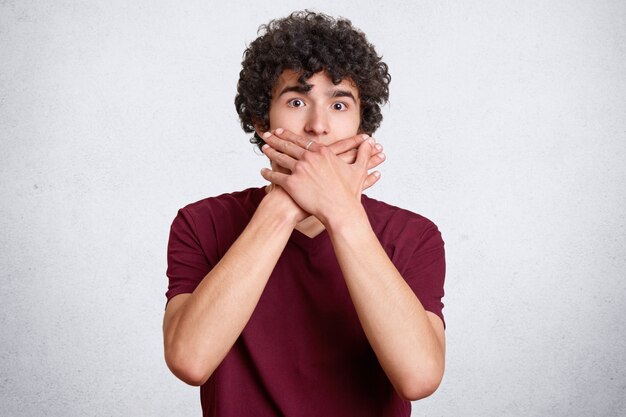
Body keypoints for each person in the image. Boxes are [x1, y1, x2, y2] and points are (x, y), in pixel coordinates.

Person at [163, 10, 446, 417]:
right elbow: (190, 359)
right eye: (297, 101)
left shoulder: (413, 235)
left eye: (339, 104)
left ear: (361, 126)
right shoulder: (201, 223)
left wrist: (343, 214)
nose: (317, 125)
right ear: (263, 122)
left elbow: (419, 378)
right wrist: (283, 203)